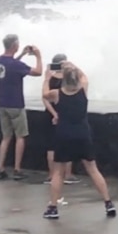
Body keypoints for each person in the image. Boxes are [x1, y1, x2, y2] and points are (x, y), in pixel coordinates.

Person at [41, 61, 116, 220]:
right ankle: (108, 203)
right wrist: (72, 66)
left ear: (63, 79)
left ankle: (53, 208)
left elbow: (44, 94)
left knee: (59, 172)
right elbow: (84, 76)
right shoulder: (83, 90)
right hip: (83, 134)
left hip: (64, 135)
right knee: (93, 169)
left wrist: (47, 78)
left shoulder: (57, 94)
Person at [0, 33, 42, 181]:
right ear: (14, 45)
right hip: (16, 104)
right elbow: (38, 72)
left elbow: (11, 66)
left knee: (6, 137)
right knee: (20, 136)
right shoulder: (16, 65)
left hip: (2, 103)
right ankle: (17, 169)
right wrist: (38, 56)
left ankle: (0, 168)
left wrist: (22, 54)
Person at [42, 53, 77, 187]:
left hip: (50, 115)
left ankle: (51, 175)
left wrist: (53, 113)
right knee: (67, 144)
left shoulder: (49, 79)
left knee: (51, 146)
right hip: (65, 114)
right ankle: (67, 175)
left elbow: (45, 98)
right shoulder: (68, 78)